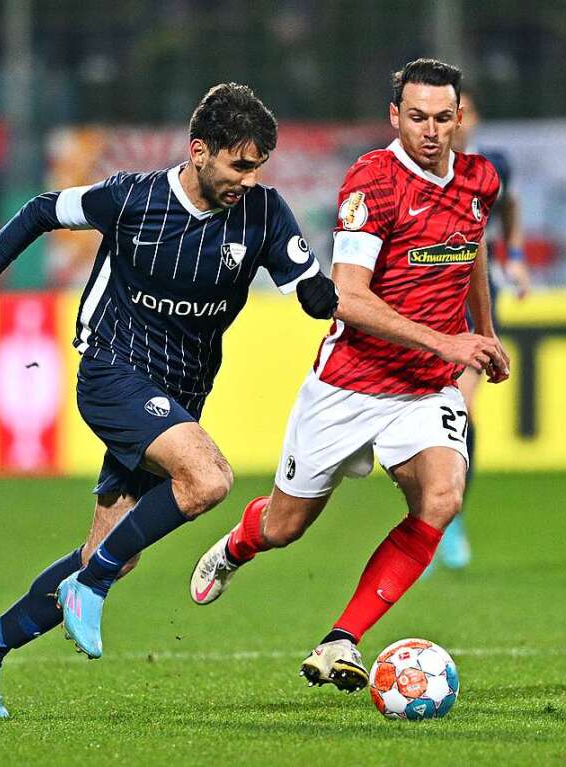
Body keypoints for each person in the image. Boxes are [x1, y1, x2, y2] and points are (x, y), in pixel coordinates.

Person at [0, 82, 338, 718]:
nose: (248, 177)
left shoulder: (263, 213)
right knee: (209, 478)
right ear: (200, 150)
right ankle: (90, 587)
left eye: (258, 165)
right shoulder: (133, 198)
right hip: (113, 373)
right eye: (238, 164)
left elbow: (310, 285)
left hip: (180, 394)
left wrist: (321, 295)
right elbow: (42, 210)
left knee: (108, 549)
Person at [189, 59, 510, 692]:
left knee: (442, 497)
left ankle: (341, 639)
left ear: (459, 118)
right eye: (416, 117)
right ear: (396, 116)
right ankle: (234, 548)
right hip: (348, 386)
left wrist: (486, 330)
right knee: (285, 526)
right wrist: (448, 338)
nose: (430, 130)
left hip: (424, 389)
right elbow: (349, 297)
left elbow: (471, 251)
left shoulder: (480, 181)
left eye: (443, 118)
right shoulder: (374, 182)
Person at [434, 88, 532, 569]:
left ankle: (447, 520)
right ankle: (432, 513)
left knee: (459, 408)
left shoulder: (492, 168)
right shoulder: (411, 173)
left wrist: (514, 256)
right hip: (419, 309)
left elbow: (509, 206)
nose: (457, 121)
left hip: (473, 303)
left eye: (464, 112)